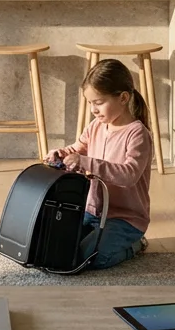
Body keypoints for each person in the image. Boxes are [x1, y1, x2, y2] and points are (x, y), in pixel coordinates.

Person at [45, 58, 152, 270]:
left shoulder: (138, 134)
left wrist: (87, 162)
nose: (93, 109)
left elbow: (129, 174)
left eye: (99, 102)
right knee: (58, 247)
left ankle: (135, 245)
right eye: (90, 103)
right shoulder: (96, 126)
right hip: (91, 212)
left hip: (125, 219)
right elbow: (77, 149)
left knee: (91, 258)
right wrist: (61, 153)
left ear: (123, 98)